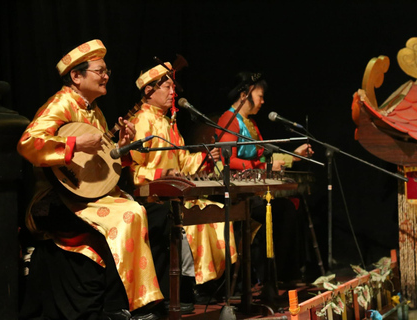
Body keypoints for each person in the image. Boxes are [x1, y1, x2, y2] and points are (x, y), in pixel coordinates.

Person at [17, 39, 162, 320]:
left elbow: (100, 165)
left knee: (144, 210)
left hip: (86, 192)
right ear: (76, 76)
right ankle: (117, 306)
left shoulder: (93, 110)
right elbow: (28, 143)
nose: (106, 76)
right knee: (129, 214)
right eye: (100, 71)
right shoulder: (61, 104)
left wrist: (122, 146)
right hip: (57, 195)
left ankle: (133, 303)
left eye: (107, 71)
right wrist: (72, 144)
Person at [128, 62, 238, 307]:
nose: (172, 93)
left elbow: (183, 163)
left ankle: (203, 286)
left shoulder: (168, 123)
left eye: (172, 88)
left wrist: (204, 158)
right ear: (149, 91)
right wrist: (161, 173)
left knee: (217, 214)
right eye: (167, 87)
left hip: (175, 195)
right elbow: (132, 170)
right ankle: (181, 291)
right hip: (153, 199)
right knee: (189, 221)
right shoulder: (141, 122)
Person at [216, 71, 314, 288]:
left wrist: (293, 156)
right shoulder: (230, 119)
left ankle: (281, 274)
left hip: (253, 191)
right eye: (259, 95)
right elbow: (226, 159)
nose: (262, 101)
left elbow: (264, 158)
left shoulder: (249, 124)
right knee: (284, 210)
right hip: (236, 195)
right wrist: (260, 168)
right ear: (245, 94)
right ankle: (274, 277)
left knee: (290, 205)